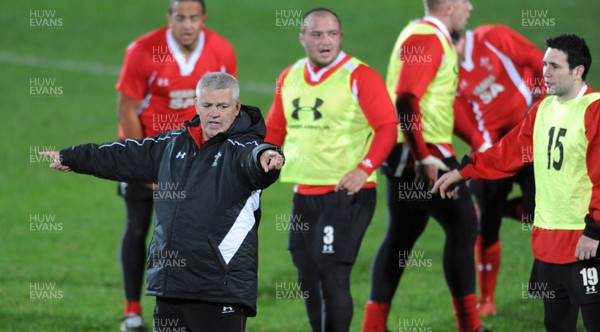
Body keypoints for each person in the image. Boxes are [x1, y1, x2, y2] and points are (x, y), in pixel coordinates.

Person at [40, 72, 284, 332]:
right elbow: (124, 155)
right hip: (171, 286)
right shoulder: (173, 144)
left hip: (218, 290)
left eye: (222, 106)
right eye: (207, 105)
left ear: (236, 108)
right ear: (196, 104)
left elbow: (255, 158)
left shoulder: (242, 149)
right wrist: (73, 157)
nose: (214, 113)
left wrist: (268, 156)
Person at [433, 34, 600, 332]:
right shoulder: (542, 111)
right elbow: (506, 152)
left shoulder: (595, 111)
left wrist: (595, 230)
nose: (545, 72)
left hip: (585, 243)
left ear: (578, 71)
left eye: (555, 66)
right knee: (556, 325)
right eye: (544, 64)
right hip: (549, 243)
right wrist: (465, 172)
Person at [265, 8, 398, 331]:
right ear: (302, 38)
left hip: (347, 193)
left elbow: (387, 127)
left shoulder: (360, 76)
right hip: (303, 194)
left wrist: (364, 167)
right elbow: (275, 128)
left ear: (341, 37)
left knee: (333, 274)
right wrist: (265, 154)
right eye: (317, 34)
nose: (325, 41)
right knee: (307, 276)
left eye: (332, 34)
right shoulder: (289, 76)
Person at [361, 1, 489, 331]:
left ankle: (373, 326)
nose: (470, 7)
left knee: (403, 235)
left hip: (416, 152)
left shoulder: (423, 33)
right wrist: (422, 156)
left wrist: (478, 138)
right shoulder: (428, 38)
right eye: (463, 2)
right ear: (447, 5)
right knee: (463, 228)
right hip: (424, 155)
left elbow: (441, 101)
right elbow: (406, 95)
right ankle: (470, 326)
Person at [115, 0, 236, 329]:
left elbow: (225, 108)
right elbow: (127, 109)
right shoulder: (142, 51)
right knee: (139, 226)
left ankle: (195, 304)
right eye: (180, 17)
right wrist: (143, 163)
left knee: (193, 233)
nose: (187, 24)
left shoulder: (221, 50)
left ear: (203, 19)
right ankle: (132, 310)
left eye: (193, 18)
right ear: (169, 19)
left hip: (194, 160)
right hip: (147, 153)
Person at [452, 24, 544, 316]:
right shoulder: (447, 76)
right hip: (496, 148)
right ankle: (487, 300)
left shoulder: (491, 37)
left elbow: (535, 58)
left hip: (531, 138)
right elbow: (463, 121)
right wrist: (488, 149)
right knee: (485, 226)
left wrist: (542, 102)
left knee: (539, 213)